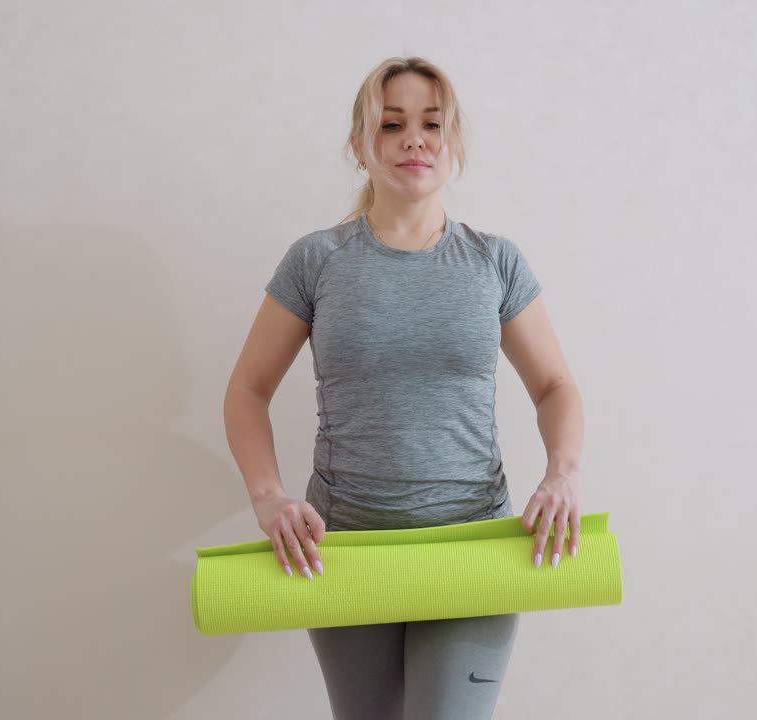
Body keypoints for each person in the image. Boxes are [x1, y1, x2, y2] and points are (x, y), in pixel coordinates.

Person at [222, 55, 586, 720]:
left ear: (455, 146)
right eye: (392, 124)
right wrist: (268, 495)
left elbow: (556, 384)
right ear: (361, 146)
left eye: (431, 123)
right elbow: (248, 388)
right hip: (344, 543)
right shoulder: (318, 260)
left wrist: (562, 472)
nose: (414, 138)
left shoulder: (494, 261)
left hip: (470, 543)